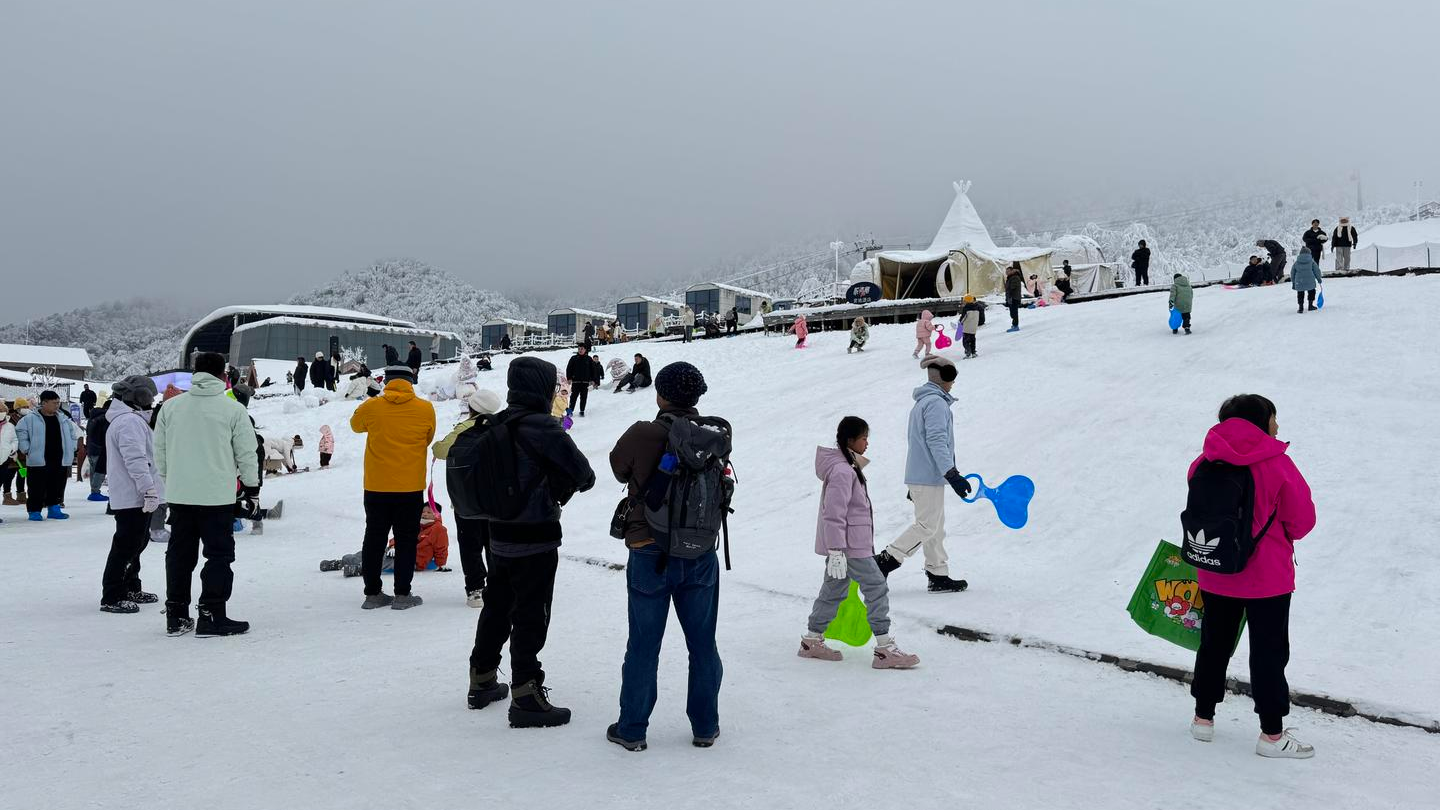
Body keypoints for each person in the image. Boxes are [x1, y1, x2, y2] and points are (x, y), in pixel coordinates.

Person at [466, 357, 595, 728]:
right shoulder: (544, 428)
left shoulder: (496, 423)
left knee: (497, 606)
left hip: (498, 535)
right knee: (531, 614)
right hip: (536, 537)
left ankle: (482, 679)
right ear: (541, 388)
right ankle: (526, 694)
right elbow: (584, 475)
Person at [1186, 394, 1316, 759]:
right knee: (1268, 652)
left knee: (1214, 644)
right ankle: (1272, 736)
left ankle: (1203, 719)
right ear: (1260, 422)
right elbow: (1302, 521)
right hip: (1267, 578)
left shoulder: (1203, 461)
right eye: (1274, 417)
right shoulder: (1278, 464)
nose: (1277, 425)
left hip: (1216, 569)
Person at [606, 361, 724, 751]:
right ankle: (705, 726)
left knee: (643, 644)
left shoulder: (643, 432)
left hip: (648, 550)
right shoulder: (713, 434)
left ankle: (632, 729)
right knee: (702, 643)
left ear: (659, 395)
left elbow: (618, 469)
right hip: (700, 552)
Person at [799, 416, 920, 669]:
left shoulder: (848, 467)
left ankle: (811, 640)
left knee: (833, 591)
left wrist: (836, 551)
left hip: (847, 546)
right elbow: (833, 513)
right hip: (850, 547)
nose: (867, 443)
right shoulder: (843, 471)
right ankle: (885, 649)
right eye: (864, 438)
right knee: (876, 587)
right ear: (850, 440)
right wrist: (836, 551)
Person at [154, 352, 260, 637]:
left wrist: (171, 480)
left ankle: (176, 615)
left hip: (180, 495)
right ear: (223, 375)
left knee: (179, 555)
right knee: (218, 556)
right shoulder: (233, 409)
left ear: (195, 373)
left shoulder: (170, 407)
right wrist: (252, 490)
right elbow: (247, 454)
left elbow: (159, 451)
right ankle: (211, 615)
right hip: (217, 497)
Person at [874, 356, 971, 593]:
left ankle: (938, 573)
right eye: (952, 378)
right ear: (944, 377)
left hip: (925, 476)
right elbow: (936, 441)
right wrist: (951, 473)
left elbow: (919, 443)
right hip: (929, 476)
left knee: (935, 528)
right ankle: (885, 561)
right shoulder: (936, 404)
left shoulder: (923, 403)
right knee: (928, 526)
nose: (953, 383)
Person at [350, 365, 437, 610]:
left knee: (374, 537)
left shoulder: (372, 406)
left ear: (386, 382)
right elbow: (428, 438)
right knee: (406, 540)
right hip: (410, 487)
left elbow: (355, 425)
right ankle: (402, 594)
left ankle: (372, 593)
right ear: (411, 381)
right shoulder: (425, 408)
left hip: (376, 486)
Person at [433, 388, 504, 607]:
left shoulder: (463, 429)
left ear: (472, 408)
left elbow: (440, 451)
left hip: (465, 502)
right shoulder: (501, 429)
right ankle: (498, 587)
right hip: (495, 501)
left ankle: (475, 590)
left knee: (469, 546)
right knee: (495, 545)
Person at [99, 376, 163, 614]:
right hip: (133, 495)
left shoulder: (131, 419)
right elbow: (136, 459)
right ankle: (112, 594)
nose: (151, 401)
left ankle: (130, 586)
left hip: (135, 494)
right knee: (126, 546)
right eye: (148, 396)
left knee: (137, 543)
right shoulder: (129, 422)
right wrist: (148, 490)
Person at [15, 390, 78, 521]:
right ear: (44, 403)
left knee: (57, 485)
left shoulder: (63, 419)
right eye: (54, 403)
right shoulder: (30, 419)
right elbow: (21, 433)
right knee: (36, 487)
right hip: (38, 458)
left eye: (58, 402)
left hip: (59, 458)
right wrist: (26, 449)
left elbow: (73, 434)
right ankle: (34, 511)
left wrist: (72, 447)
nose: (57, 405)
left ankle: (54, 508)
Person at [564, 345, 594, 417]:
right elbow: (569, 369)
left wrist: (592, 379)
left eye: (582, 349)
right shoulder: (573, 358)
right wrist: (569, 378)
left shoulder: (589, 359)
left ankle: (582, 411)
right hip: (575, 382)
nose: (580, 350)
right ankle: (570, 412)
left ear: (585, 350)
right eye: (579, 349)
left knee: (583, 397)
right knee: (573, 398)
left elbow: (593, 370)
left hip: (585, 382)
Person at [1291, 249, 1323, 313]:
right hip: (1310, 281)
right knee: (1312, 291)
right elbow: (1316, 270)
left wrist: (1293, 282)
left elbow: (1292, 273)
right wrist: (1319, 279)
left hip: (1299, 281)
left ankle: (1300, 308)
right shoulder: (1311, 261)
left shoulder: (1296, 262)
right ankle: (1310, 305)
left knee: (1300, 294)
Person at [0, 400, 16, 515]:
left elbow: (14, 439)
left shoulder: (9, 426)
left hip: (4, 459)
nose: (1, 413)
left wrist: (12, 448)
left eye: (2, 411)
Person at [1004, 264, 1024, 332]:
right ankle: (1014, 324)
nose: (1006, 272)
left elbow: (1012, 288)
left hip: (1014, 297)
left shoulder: (1015, 277)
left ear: (1012, 271)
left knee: (1014, 312)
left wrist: (1009, 296)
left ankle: (1015, 326)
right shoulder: (1010, 277)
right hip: (1011, 297)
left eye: (1008, 271)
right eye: (1006, 271)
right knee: (1012, 312)